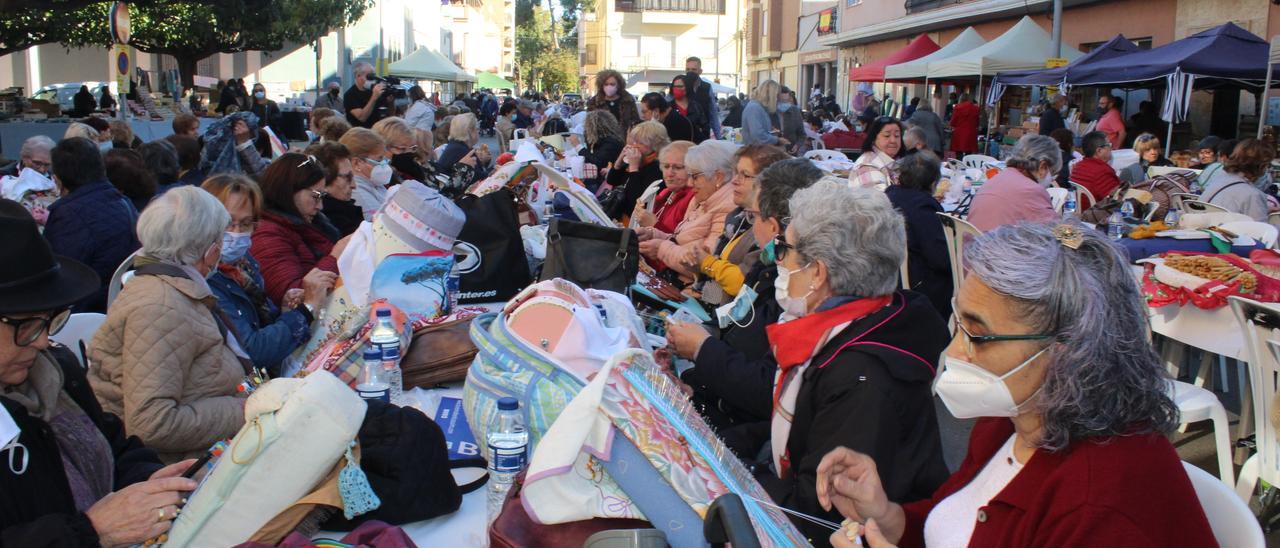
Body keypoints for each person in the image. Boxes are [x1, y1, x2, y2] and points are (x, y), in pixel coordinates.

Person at [817, 222, 1215, 548]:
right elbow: (955, 527)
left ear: (1067, 352)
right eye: (959, 325)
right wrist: (887, 516)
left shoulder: (1098, 506)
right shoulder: (1011, 421)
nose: (953, 352)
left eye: (978, 335)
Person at [720, 179, 950, 543]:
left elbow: (813, 512)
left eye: (784, 249)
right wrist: (722, 444)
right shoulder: (857, 326)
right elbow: (801, 434)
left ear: (817, 273)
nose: (776, 259)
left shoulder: (860, 374)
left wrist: (729, 470)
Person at [0, 200, 203, 546]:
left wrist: (151, 481)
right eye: (28, 325)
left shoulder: (54, 370)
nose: (44, 339)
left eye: (50, 320)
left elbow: (114, 443)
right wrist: (92, 530)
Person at [88, 186, 248, 463]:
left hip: (208, 444)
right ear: (210, 251)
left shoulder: (172, 286)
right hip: (179, 466)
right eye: (221, 239)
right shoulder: (160, 307)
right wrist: (246, 409)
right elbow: (153, 424)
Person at [670, 159, 823, 429]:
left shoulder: (795, 285)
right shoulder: (762, 260)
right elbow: (735, 317)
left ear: (774, 226)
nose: (736, 181)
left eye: (744, 174)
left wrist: (702, 348)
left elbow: (768, 389)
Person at [202, 175, 327, 376]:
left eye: (245, 224)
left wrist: (285, 312)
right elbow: (252, 351)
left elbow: (258, 325)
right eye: (228, 223)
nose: (236, 232)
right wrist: (307, 309)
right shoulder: (207, 277)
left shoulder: (244, 265)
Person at [43, 137, 139, 312]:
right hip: (117, 297)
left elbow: (57, 273)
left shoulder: (69, 213)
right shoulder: (124, 202)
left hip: (86, 307)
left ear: (58, 179)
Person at [696, 144, 790, 306]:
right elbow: (718, 285)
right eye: (735, 173)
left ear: (767, 183)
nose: (734, 181)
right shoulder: (738, 217)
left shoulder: (768, 228)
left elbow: (744, 282)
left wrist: (707, 264)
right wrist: (704, 301)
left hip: (738, 323)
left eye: (744, 175)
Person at [250, 153, 346, 304]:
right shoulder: (266, 236)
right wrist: (335, 257)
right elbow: (291, 297)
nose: (320, 206)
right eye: (315, 196)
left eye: (322, 197)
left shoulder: (307, 222)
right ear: (288, 191)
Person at [636, 140, 737, 282]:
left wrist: (661, 248)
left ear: (718, 177)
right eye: (666, 166)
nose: (689, 183)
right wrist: (653, 234)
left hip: (692, 292)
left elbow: (704, 265)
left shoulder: (727, 208)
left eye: (695, 176)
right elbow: (679, 241)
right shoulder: (701, 199)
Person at [885, 151, 952, 317]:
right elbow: (941, 259)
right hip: (915, 285)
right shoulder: (922, 206)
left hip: (889, 276)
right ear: (933, 182)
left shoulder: (891, 194)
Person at [967, 135, 1061, 232]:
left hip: (973, 244)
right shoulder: (1031, 190)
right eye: (1052, 173)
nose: (1051, 179)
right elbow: (1055, 232)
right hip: (995, 245)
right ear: (1042, 167)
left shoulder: (999, 177)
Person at [603, 120, 670, 220]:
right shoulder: (639, 159)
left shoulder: (658, 168)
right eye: (635, 141)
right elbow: (612, 181)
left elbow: (638, 201)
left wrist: (634, 168)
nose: (634, 145)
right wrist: (618, 163)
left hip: (635, 222)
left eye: (640, 143)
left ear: (654, 146)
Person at [632, 140, 697, 236]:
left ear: (693, 169)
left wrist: (653, 224)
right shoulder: (665, 192)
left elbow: (681, 241)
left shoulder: (694, 197)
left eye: (678, 167)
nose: (670, 173)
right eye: (666, 166)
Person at [1202, 139, 1274, 221]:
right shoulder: (1253, 195)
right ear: (1262, 166)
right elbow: (1261, 231)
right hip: (1228, 231)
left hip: (1205, 229)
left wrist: (1263, 210)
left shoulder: (1218, 180)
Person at [306, 141, 362, 237]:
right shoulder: (329, 221)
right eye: (347, 177)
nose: (354, 185)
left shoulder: (343, 210)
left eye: (353, 176)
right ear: (323, 182)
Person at [338, 127, 391, 221]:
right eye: (379, 159)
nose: (384, 163)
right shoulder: (358, 191)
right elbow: (378, 223)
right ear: (356, 163)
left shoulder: (373, 182)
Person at [569, 110, 626, 191]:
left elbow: (597, 162)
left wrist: (578, 146)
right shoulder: (602, 140)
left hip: (605, 183)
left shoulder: (611, 142)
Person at [1069, 131, 1122, 209]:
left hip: (1080, 212)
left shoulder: (1078, 167)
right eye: (1109, 145)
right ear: (1099, 151)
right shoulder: (1103, 171)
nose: (1111, 148)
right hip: (1096, 216)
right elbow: (1115, 200)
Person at [849, 116, 902, 190]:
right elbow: (881, 200)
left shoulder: (896, 164)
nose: (893, 140)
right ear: (873, 138)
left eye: (897, 136)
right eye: (887, 136)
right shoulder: (867, 167)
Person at [435, 113, 492, 181]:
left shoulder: (457, 146)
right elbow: (477, 178)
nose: (478, 132)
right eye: (477, 129)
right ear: (470, 131)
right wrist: (494, 171)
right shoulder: (460, 150)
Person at [587, 69, 641, 136]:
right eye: (606, 84)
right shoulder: (594, 102)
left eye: (612, 84)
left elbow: (635, 121)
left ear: (618, 85)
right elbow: (590, 126)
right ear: (601, 85)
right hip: (604, 143)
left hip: (626, 141)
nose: (609, 86)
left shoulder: (628, 101)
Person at [684, 56, 723, 139]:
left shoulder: (707, 87)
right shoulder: (680, 85)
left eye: (693, 69)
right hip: (683, 132)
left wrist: (719, 137)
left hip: (702, 134)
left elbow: (713, 113)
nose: (690, 72)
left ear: (700, 71)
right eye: (688, 69)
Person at [344, 61, 389, 128]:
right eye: (369, 76)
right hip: (360, 134)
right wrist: (374, 97)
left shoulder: (375, 91)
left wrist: (391, 102)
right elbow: (362, 118)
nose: (372, 79)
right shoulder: (350, 94)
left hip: (378, 131)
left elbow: (389, 115)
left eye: (374, 75)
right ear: (358, 76)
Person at [741, 80, 785, 147]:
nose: (777, 99)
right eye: (776, 96)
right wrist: (777, 140)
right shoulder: (754, 108)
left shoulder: (759, 108)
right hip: (755, 152)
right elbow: (758, 136)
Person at [669, 74, 709, 143]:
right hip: (674, 148)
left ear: (687, 87)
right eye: (674, 86)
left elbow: (705, 127)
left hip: (694, 147)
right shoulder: (668, 107)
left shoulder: (696, 106)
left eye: (680, 86)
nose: (676, 89)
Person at [777, 88, 806, 155]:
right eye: (781, 101)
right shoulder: (771, 113)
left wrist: (797, 145)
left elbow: (802, 134)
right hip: (774, 154)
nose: (784, 103)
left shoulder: (795, 111)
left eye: (786, 101)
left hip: (790, 153)